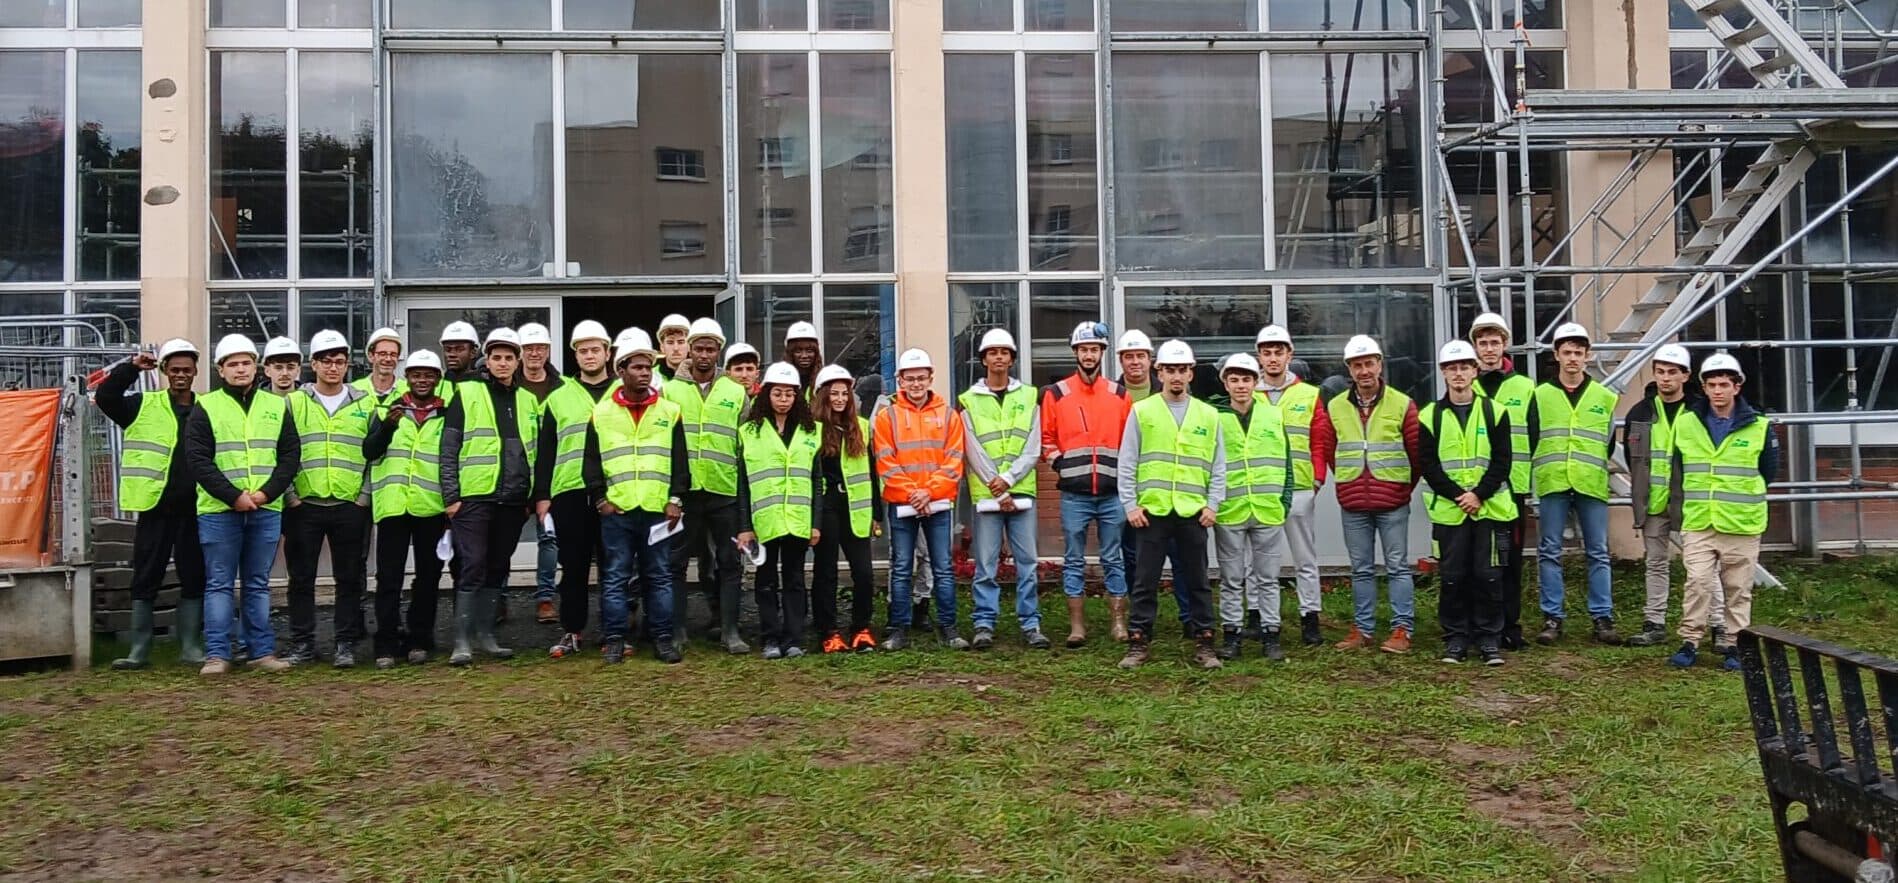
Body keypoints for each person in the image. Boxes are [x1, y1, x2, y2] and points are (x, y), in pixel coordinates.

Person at [440, 328, 555, 666]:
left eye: (509, 357)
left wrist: (530, 497)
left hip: (512, 499)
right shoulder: (466, 393)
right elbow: (448, 448)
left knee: (497, 567)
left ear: (518, 362)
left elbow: (534, 452)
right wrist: (452, 497)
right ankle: (461, 641)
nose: (503, 363)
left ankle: (487, 636)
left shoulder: (527, 400)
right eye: (497, 357)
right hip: (474, 497)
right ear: (486, 361)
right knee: (472, 564)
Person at [187, 334, 299, 675]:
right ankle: (217, 655)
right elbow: (198, 460)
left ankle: (261, 652)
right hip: (220, 511)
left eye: (246, 362)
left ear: (256, 367)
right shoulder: (206, 406)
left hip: (266, 508)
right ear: (221, 370)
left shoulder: (277, 406)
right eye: (232, 364)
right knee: (220, 583)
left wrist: (266, 494)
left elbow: (290, 456)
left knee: (257, 583)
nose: (240, 369)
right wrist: (233, 496)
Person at [97, 338, 206, 669]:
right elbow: (106, 397)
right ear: (164, 372)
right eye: (174, 370)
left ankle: (189, 646)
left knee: (194, 574)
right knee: (145, 574)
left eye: (186, 370)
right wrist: (130, 368)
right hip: (155, 506)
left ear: (196, 372)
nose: (181, 376)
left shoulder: (208, 408)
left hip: (197, 508)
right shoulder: (142, 404)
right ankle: (139, 650)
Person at [1117, 340, 1226, 670]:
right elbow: (1128, 460)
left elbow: (1218, 464)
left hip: (1193, 512)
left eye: (1182, 370)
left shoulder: (1208, 414)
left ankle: (1204, 643)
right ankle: (1138, 642)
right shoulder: (1143, 411)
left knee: (1198, 581)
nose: (1176, 376)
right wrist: (1130, 505)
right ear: (1159, 372)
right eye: (1170, 370)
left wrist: (1213, 505)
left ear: (1191, 373)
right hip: (1152, 512)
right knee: (1145, 581)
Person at [1667, 353, 1778, 671]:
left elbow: (1768, 471)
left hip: (1741, 523)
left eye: (1724, 385)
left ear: (1736, 387)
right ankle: (1690, 640)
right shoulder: (1686, 422)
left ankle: (1733, 644)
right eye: (1712, 384)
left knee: (1738, 589)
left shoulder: (1759, 427)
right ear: (1703, 386)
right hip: (1701, 519)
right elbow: (1677, 466)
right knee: (1698, 582)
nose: (1718, 391)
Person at [583, 329, 689, 664]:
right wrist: (600, 500)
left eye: (648, 368)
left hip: (658, 509)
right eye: (638, 368)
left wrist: (676, 500)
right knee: (614, 577)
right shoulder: (601, 413)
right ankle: (614, 639)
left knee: (658, 576)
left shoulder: (669, 412)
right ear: (621, 371)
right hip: (619, 510)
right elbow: (591, 462)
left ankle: (662, 638)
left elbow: (680, 461)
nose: (645, 373)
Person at [282, 329, 376, 668]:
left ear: (348, 365)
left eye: (339, 361)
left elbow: (375, 454)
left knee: (349, 578)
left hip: (350, 505)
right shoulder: (294, 403)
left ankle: (345, 644)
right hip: (304, 505)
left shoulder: (365, 403)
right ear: (313, 365)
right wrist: (291, 495)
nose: (333, 367)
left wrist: (364, 496)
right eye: (326, 361)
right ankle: (303, 643)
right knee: (301, 579)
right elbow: (283, 452)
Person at [1419, 341, 1515, 666]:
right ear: (1444, 373)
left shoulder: (1495, 412)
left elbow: (1503, 461)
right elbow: (1429, 466)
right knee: (1452, 576)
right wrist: (1460, 496)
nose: (1458, 374)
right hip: (1450, 511)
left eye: (1464, 367)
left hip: (1488, 509)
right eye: (1452, 368)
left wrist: (1478, 495)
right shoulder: (1429, 415)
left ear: (1475, 371)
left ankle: (1489, 640)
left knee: (1488, 575)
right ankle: (1456, 639)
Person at [1625, 344, 1725, 649]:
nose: (1665, 378)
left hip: (1691, 502)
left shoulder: (1699, 411)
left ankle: (1719, 624)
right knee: (1655, 563)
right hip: (1653, 503)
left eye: (1672, 372)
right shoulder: (1640, 412)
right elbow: (1634, 458)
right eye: (1660, 372)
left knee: (1704, 566)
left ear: (1685, 375)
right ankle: (1654, 623)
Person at [1527, 322, 1621, 645]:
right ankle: (1552, 617)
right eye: (1566, 352)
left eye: (1578, 353)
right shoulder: (1538, 396)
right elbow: (1532, 436)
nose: (1572, 359)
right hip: (1552, 481)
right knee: (1549, 551)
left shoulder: (1604, 397)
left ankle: (1602, 617)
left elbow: (1607, 441)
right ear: (1556, 355)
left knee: (1598, 551)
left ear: (1587, 356)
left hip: (1590, 482)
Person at [662, 317, 751, 653]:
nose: (703, 354)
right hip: (684, 493)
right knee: (677, 563)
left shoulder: (735, 391)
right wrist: (671, 492)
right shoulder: (670, 390)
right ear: (689, 349)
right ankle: (677, 630)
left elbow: (745, 444)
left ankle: (730, 631)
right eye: (697, 348)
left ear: (719, 352)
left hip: (723, 490)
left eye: (710, 349)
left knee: (729, 563)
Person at [1329, 334, 1422, 654]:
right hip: (1354, 500)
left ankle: (1401, 630)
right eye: (1357, 365)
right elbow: (1331, 451)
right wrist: (1347, 481)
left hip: (1393, 500)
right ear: (1349, 369)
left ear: (1380, 364)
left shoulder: (1402, 403)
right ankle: (1363, 629)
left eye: (1369, 363)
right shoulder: (1336, 406)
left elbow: (1416, 453)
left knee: (1397, 566)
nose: (1364, 370)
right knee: (1361, 568)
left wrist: (1400, 486)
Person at [959, 329, 1050, 651]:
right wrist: (998, 489)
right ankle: (984, 623)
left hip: (1021, 491)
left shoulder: (1029, 396)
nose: (998, 357)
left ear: (1012, 358)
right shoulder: (968, 400)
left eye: (1004, 352)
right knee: (985, 564)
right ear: (983, 358)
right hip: (988, 495)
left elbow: (1033, 443)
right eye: (992, 352)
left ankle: (1030, 624)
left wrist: (1009, 480)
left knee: (1027, 562)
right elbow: (971, 447)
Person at [1041, 321, 1131, 647]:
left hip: (1111, 492)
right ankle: (1076, 626)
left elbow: (1129, 443)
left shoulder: (1119, 395)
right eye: (1084, 349)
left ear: (1102, 353)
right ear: (1075, 352)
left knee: (1113, 558)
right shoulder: (1056, 393)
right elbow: (1046, 440)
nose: (1089, 354)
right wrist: (1060, 464)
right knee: (1074, 559)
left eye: (1094, 349)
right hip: (1074, 494)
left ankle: (1118, 623)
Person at [362, 350, 451, 668]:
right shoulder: (387, 409)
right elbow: (369, 451)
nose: (422, 380)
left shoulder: (447, 414)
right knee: (389, 578)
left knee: (428, 577)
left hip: (430, 505)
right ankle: (385, 643)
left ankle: (420, 639)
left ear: (438, 379)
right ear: (407, 377)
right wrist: (387, 427)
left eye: (429, 374)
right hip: (393, 506)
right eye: (416, 374)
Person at [875, 347, 966, 651]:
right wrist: (914, 494)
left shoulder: (948, 415)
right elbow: (885, 461)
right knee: (901, 567)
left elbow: (954, 459)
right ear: (900, 380)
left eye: (921, 378)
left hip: (936, 503)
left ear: (930, 378)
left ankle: (949, 627)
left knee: (942, 566)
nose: (915, 384)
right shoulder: (887, 416)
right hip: (903, 504)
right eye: (909, 378)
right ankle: (899, 628)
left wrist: (929, 491)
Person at [737, 362, 823, 659]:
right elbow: (743, 484)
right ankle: (770, 638)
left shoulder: (811, 431)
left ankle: (794, 639)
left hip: (798, 521)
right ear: (766, 395)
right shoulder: (749, 432)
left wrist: (816, 523)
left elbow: (816, 480)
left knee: (795, 580)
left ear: (797, 396)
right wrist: (745, 525)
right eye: (778, 393)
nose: (784, 399)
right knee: (765, 581)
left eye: (789, 394)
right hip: (765, 520)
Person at [544, 320, 618, 660]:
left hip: (617, 489)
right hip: (570, 490)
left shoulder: (625, 392)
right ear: (575, 355)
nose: (589, 356)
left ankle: (613, 632)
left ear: (607, 352)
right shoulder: (557, 398)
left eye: (595, 349)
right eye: (583, 350)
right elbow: (545, 450)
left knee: (614, 565)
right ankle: (572, 630)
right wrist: (542, 496)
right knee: (573, 566)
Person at [1255, 325, 1333, 646]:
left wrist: (1317, 478)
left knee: (1305, 558)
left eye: (1279, 352)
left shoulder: (1310, 394)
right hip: (1262, 489)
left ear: (1290, 354)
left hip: (1300, 487)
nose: (1273, 359)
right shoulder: (1248, 392)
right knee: (1259, 559)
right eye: (1267, 352)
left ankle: (1310, 618)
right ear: (1259, 356)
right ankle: (1258, 617)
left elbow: (1320, 440)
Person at [1212, 353, 1292, 661]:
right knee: (1232, 578)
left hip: (1268, 510)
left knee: (1268, 578)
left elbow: (1286, 464)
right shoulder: (1216, 419)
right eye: (1234, 380)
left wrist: (1283, 502)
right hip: (1231, 510)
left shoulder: (1272, 416)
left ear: (1255, 382)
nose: (1241, 385)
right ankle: (1232, 634)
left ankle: (1271, 635)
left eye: (1246, 379)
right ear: (1226, 383)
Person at [1468, 312, 1535, 650]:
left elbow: (1534, 434)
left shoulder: (1524, 387)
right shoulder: (1466, 384)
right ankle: (1476, 624)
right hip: (1474, 490)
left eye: (1495, 343)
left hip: (1512, 489)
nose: (1489, 349)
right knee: (1474, 561)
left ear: (1505, 345)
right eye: (1483, 343)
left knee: (1509, 560)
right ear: (1475, 347)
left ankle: (1510, 625)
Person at [812, 364, 880, 653]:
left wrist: (877, 514)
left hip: (857, 508)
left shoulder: (862, 427)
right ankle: (828, 631)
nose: (840, 399)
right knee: (825, 572)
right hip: (827, 507)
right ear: (823, 396)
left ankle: (861, 628)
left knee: (864, 573)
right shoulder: (812, 429)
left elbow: (872, 473)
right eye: (834, 393)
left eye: (844, 394)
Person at [516, 322, 563, 625]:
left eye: (540, 348)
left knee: (549, 539)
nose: (535, 353)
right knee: (504, 541)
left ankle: (545, 598)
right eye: (529, 348)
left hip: (553, 475)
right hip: (514, 475)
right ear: (520, 352)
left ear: (548, 351)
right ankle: (500, 601)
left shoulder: (564, 387)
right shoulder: (509, 385)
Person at [353, 327, 407, 406]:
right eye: (382, 354)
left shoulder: (409, 392)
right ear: (371, 356)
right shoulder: (354, 391)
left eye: (393, 354)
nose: (388, 359)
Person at [438, 321, 481, 399]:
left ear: (473, 353)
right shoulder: (436, 386)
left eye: (459, 349)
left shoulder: (484, 386)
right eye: (448, 349)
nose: (452, 354)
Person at [784, 321, 824, 392]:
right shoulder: (779, 380)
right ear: (790, 353)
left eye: (809, 351)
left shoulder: (824, 380)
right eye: (798, 351)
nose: (804, 356)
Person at [656, 314, 691, 381]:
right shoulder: (650, 378)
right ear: (662, 347)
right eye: (670, 342)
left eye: (681, 342)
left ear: (689, 346)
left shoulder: (701, 377)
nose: (676, 348)